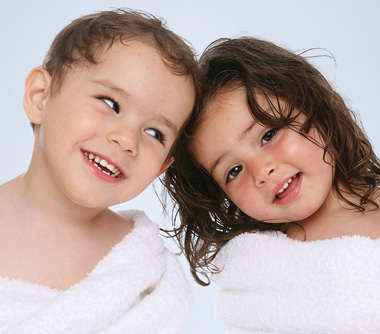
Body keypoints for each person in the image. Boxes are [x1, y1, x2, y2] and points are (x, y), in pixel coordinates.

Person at [0, 8, 199, 333]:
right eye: (110, 103)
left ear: (162, 167)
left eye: (155, 133)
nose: (126, 139)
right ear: (40, 97)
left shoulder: (147, 272)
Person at [163, 37, 380, 333]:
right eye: (234, 171)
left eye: (268, 135)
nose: (261, 172)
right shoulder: (261, 272)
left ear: (311, 107)